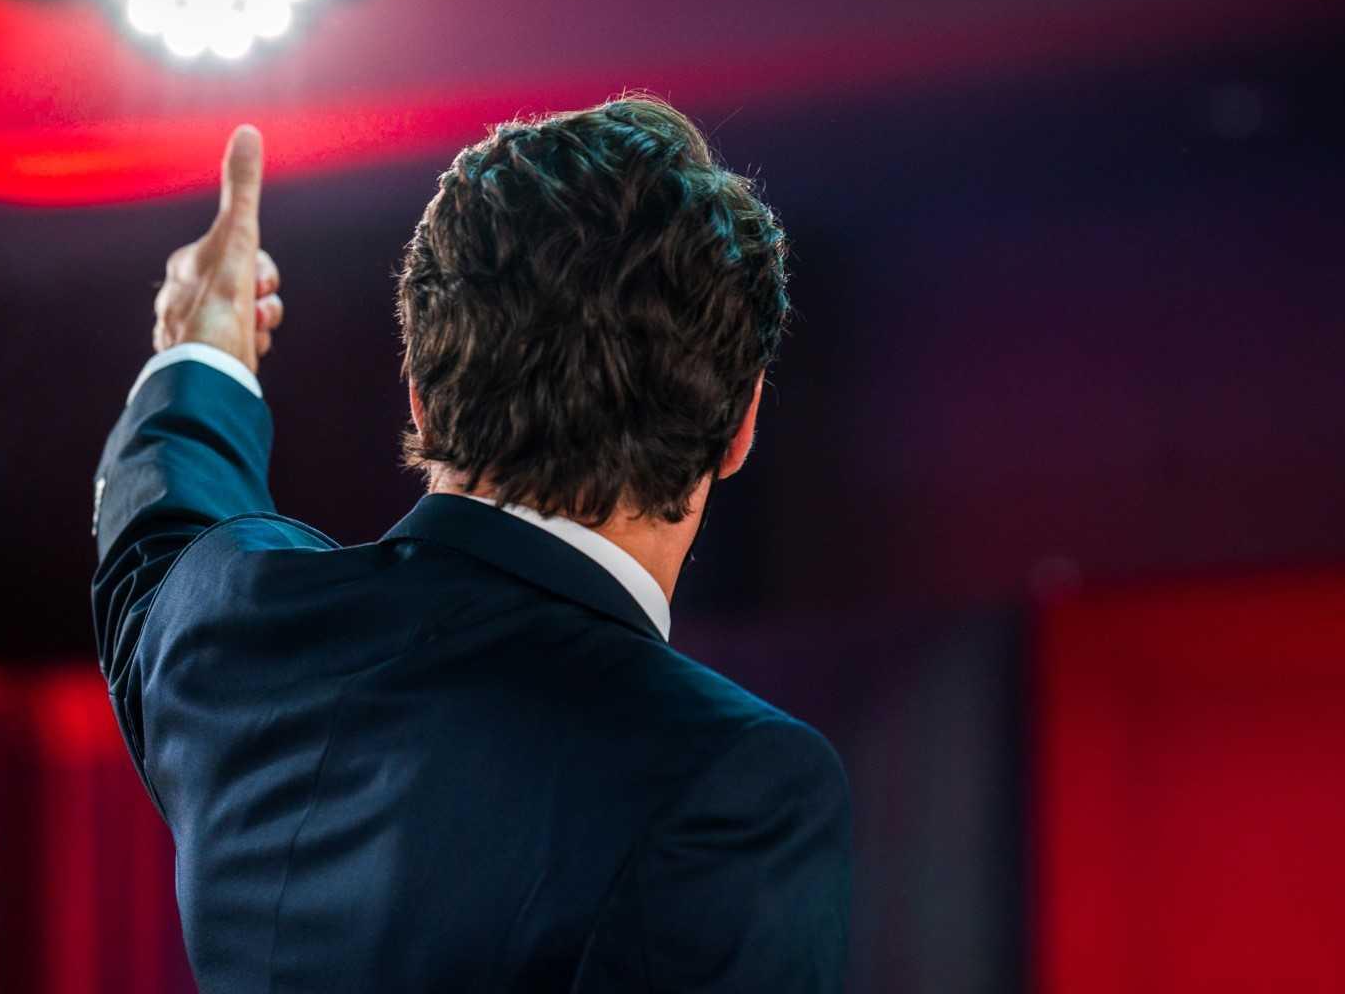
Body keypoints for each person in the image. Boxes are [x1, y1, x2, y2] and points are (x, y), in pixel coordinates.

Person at [91, 97, 851, 992]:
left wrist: (203, 343)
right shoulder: (735, 784)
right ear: (741, 425)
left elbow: (158, 521)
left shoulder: (230, 631)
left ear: (418, 391)